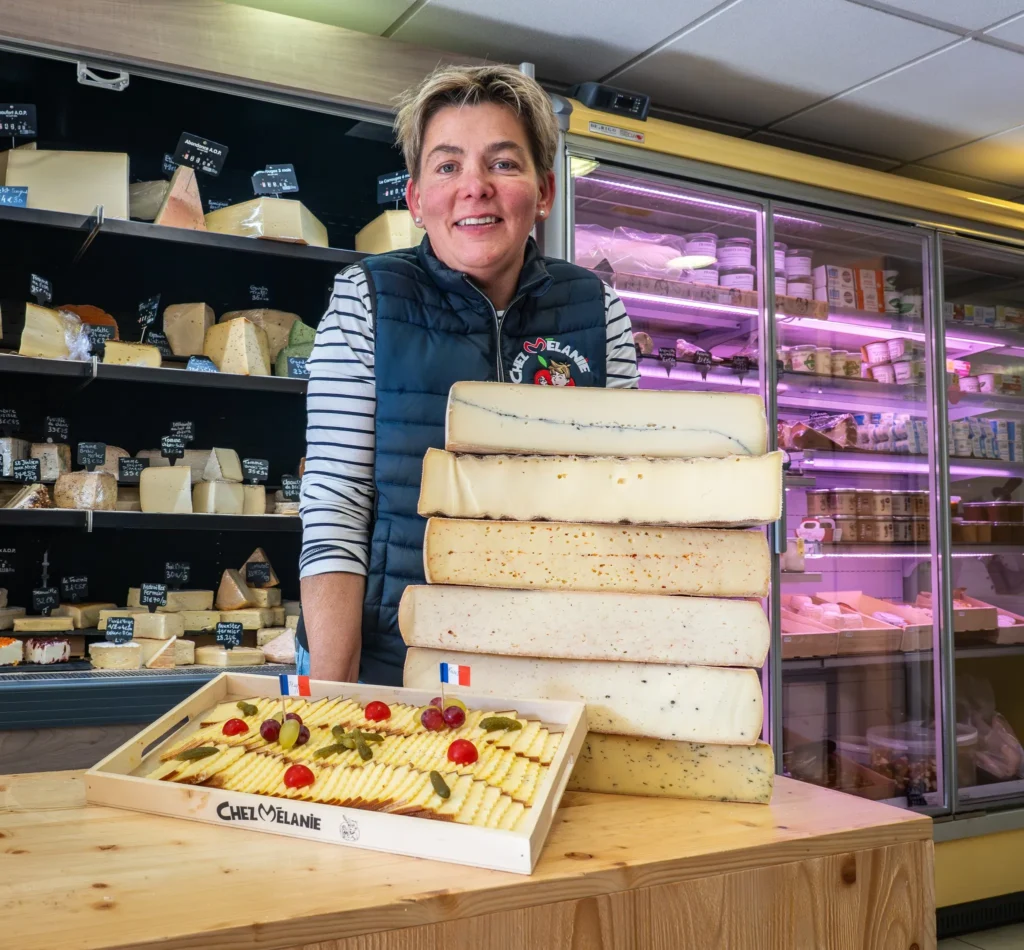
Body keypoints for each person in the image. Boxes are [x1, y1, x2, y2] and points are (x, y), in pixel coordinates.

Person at [297, 64, 639, 685]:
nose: (474, 187)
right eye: (447, 166)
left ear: (544, 193)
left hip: (547, 666)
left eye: (503, 164)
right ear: (416, 198)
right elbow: (335, 503)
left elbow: (615, 507)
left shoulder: (597, 308)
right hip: (389, 662)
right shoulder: (366, 297)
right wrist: (332, 691)